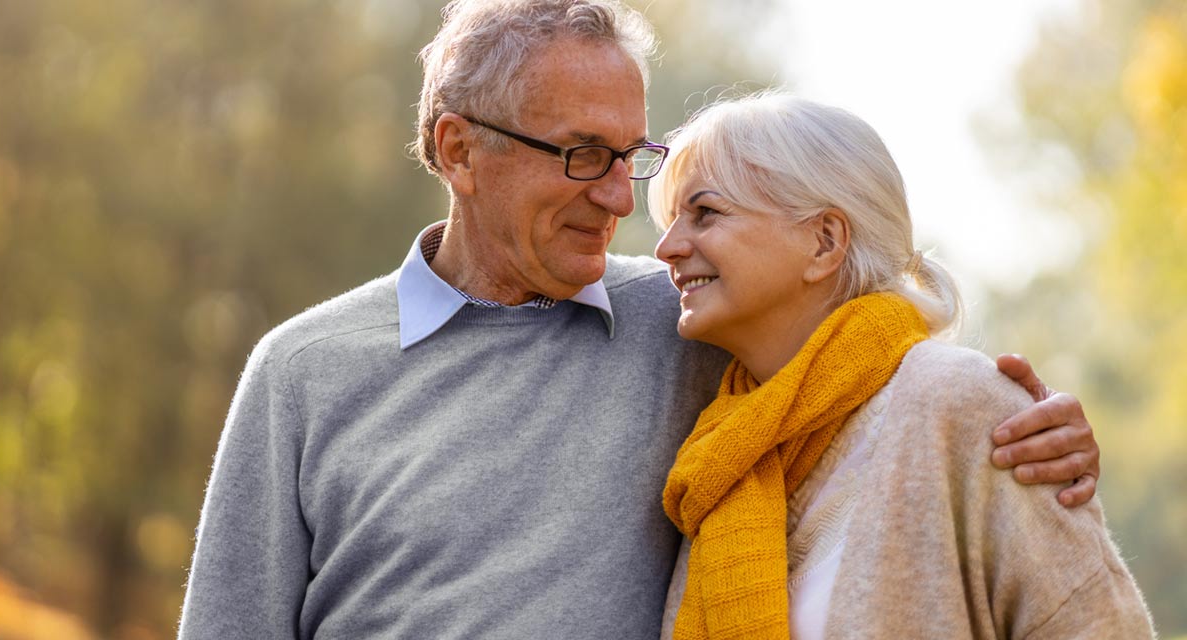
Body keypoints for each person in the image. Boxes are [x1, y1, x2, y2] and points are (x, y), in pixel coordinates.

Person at [178, 1, 1103, 637]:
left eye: (634, 154)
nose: (624, 199)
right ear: (459, 150)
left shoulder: (691, 322)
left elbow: (857, 354)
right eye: (583, 154)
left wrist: (1030, 436)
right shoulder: (304, 371)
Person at [650, 94, 1152, 639]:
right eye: (674, 219)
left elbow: (1099, 626)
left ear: (824, 241)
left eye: (705, 213)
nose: (666, 248)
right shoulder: (720, 450)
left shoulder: (961, 402)